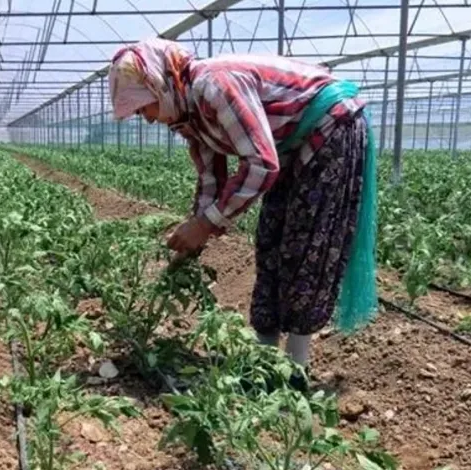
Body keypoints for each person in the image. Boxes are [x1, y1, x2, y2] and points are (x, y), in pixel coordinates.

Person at [108, 38, 378, 387]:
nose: (145, 119)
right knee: (270, 241)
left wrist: (205, 224)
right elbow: (210, 178)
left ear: (160, 85)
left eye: (143, 108)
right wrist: (195, 233)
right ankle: (264, 366)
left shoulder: (213, 86)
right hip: (290, 144)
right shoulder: (187, 115)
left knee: (305, 248)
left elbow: (263, 164)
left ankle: (295, 374)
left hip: (331, 126)